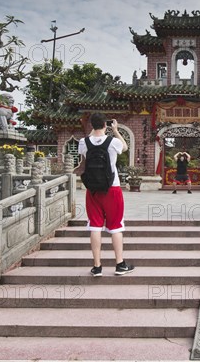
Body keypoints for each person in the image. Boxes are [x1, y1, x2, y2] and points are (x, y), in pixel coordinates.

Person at [77, 113, 134, 277]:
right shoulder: (113, 141)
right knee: (115, 226)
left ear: (91, 126)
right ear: (105, 125)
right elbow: (125, 147)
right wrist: (115, 130)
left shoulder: (83, 142)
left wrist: (92, 131)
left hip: (92, 189)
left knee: (95, 225)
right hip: (112, 187)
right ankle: (120, 264)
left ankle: (97, 266)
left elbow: (86, 146)